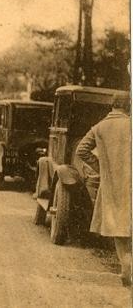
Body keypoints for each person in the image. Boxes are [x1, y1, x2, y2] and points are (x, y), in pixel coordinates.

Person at [76, 93, 131, 286]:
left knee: (118, 227)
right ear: (128, 106)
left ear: (112, 106)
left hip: (113, 185)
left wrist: (102, 167)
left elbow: (81, 150)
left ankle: (126, 265)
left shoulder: (99, 127)